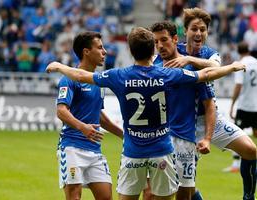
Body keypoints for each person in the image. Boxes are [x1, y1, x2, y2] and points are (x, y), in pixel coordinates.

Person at [46, 27, 246, 200]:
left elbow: (82, 75)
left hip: (133, 152)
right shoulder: (166, 74)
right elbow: (206, 74)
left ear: (131, 51)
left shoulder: (119, 76)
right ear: (153, 51)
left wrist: (59, 66)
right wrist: (232, 67)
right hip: (162, 150)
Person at [166, 7, 257, 200]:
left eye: (203, 29)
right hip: (183, 123)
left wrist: (188, 59)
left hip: (211, 118)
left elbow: (216, 67)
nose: (199, 33)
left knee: (250, 150)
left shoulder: (210, 53)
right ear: (185, 31)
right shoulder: (174, 50)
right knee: (187, 189)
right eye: (194, 29)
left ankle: (248, 197)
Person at [142, 20, 216, 200]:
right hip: (158, 139)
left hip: (184, 141)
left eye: (164, 40)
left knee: (184, 194)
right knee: (150, 193)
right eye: (156, 42)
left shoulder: (192, 69)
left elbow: (209, 104)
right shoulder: (153, 70)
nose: (160, 45)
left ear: (175, 39)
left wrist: (207, 138)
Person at [55, 31, 123, 200]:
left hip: (94, 150)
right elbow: (61, 111)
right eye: (100, 48)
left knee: (106, 197)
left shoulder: (98, 81)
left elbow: (98, 115)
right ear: (86, 51)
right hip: (71, 148)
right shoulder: (69, 79)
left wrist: (124, 135)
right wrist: (83, 128)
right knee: (74, 197)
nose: (105, 52)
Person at [227, 41, 257, 173]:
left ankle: (235, 164)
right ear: (249, 51)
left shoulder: (240, 64)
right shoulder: (256, 62)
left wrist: (232, 104)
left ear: (238, 52)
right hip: (256, 106)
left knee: (237, 134)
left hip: (244, 106)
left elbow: (238, 85)